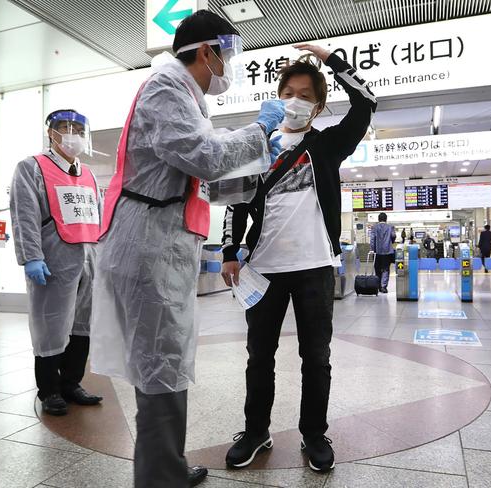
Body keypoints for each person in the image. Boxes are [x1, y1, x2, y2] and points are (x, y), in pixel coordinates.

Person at [89, 10, 282, 488]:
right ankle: (159, 478)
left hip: (161, 241)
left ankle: (166, 466)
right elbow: (207, 157)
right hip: (149, 243)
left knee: (165, 359)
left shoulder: (188, 98)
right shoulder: (166, 89)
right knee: (159, 363)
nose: (229, 65)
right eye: (227, 53)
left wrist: (256, 168)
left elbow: (199, 180)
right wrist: (259, 132)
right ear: (205, 51)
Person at [221, 45, 377, 472]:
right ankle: (256, 431)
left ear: (319, 105)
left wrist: (331, 58)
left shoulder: (326, 146)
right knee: (259, 357)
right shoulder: (259, 145)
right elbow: (235, 201)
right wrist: (231, 250)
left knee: (317, 357)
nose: (294, 100)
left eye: (305, 95)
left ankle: (313, 433)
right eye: (287, 91)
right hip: (263, 271)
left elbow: (366, 103)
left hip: (314, 269)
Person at [10, 109, 103, 416]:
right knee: (51, 324)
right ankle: (49, 389)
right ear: (51, 132)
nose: (72, 134)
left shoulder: (87, 173)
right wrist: (31, 257)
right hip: (54, 259)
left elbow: (98, 215)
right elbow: (24, 215)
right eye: (65, 127)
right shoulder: (32, 167)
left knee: (81, 325)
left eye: (78, 128)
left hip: (88, 258)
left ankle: (71, 383)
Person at [370, 213, 396, 294]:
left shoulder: (374, 227)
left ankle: (378, 286)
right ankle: (383, 287)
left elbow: (372, 239)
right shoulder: (390, 227)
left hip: (377, 252)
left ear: (378, 219)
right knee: (385, 269)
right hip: (387, 251)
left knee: (377, 269)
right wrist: (391, 241)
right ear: (386, 219)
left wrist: (372, 249)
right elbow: (393, 235)